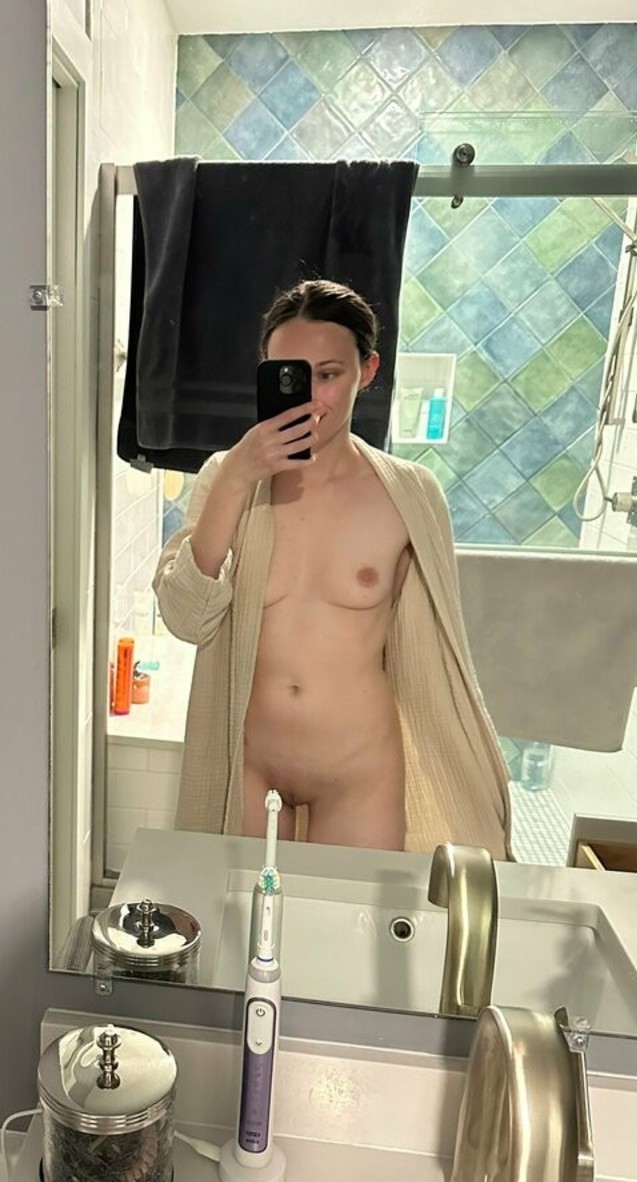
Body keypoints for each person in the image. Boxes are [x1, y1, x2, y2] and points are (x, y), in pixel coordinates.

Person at [153, 278, 511, 859]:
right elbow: (186, 619)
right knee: (236, 913)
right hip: (251, 762)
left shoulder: (409, 494)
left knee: (348, 918)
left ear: (367, 371)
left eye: (328, 374)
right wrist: (238, 477)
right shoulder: (227, 476)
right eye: (290, 374)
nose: (310, 398)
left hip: (359, 768)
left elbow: (435, 649)